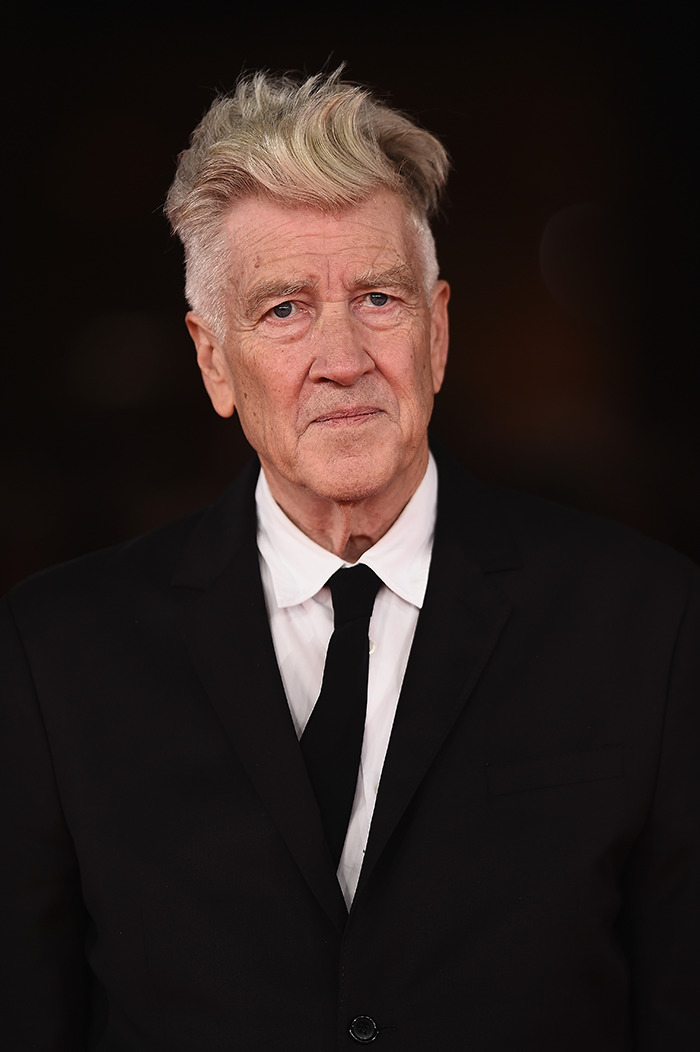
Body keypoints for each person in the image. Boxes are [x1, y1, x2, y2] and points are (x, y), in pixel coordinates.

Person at [1, 68, 698, 1051]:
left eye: (377, 297)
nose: (342, 357)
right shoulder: (56, 655)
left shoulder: (647, 621)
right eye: (283, 308)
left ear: (438, 330)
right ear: (213, 361)